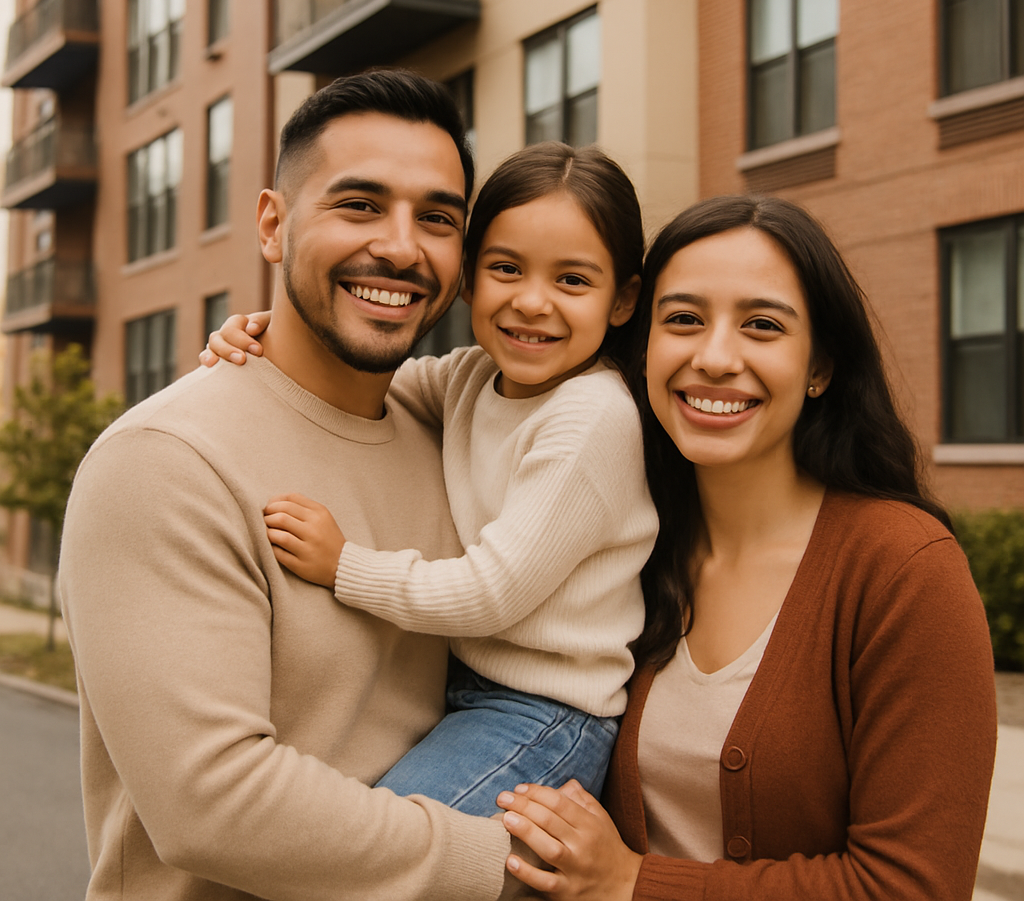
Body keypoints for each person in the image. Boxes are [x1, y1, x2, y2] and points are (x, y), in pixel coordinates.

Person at [59, 70, 531, 901]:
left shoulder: (454, 438)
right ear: (273, 226)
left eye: (437, 218)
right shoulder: (164, 462)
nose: (400, 246)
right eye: (358, 205)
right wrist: (514, 867)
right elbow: (213, 803)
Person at [495, 195, 998, 901]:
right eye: (683, 320)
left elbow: (914, 886)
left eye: (761, 325)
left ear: (820, 365)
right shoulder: (622, 545)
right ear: (643, 350)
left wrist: (636, 881)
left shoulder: (902, 569)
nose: (715, 357)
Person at [204, 142, 659, 816]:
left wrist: (345, 566)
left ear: (622, 301)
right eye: (507, 269)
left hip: (544, 714)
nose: (533, 303)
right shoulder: (474, 377)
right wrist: (260, 335)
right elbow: (362, 378)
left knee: (375, 853)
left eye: (572, 281)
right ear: (469, 280)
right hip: (460, 687)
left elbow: (493, 593)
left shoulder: (592, 417)